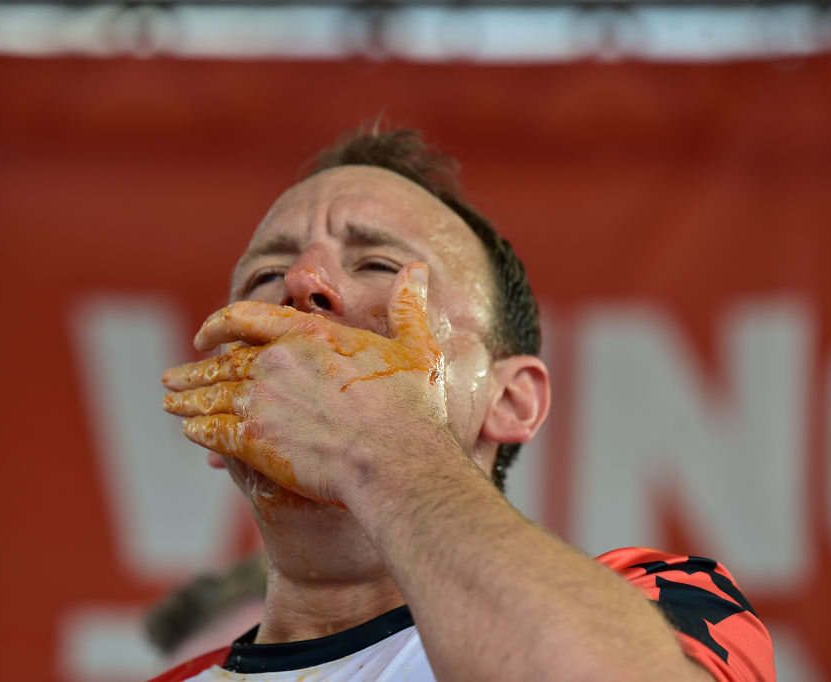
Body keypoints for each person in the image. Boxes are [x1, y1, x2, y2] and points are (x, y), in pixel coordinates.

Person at [151, 127, 775, 681]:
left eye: (376, 263)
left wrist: (381, 444)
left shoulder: (667, 604)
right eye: (265, 276)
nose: (300, 282)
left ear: (512, 400)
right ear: (220, 409)